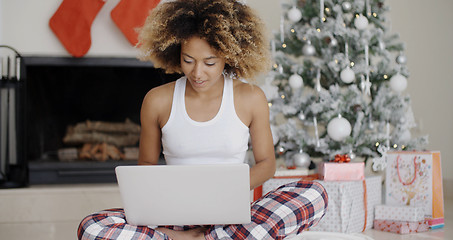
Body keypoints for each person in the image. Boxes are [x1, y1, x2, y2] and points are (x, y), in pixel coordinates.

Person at [78, 0, 328, 239]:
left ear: (228, 56)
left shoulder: (251, 97)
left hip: (231, 214)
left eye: (210, 62)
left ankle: (191, 238)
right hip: (172, 213)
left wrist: (225, 193)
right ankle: (209, 237)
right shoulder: (157, 100)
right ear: (177, 53)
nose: (197, 73)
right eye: (188, 61)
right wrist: (160, 204)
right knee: (92, 227)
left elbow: (266, 164)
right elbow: (147, 165)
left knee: (316, 194)